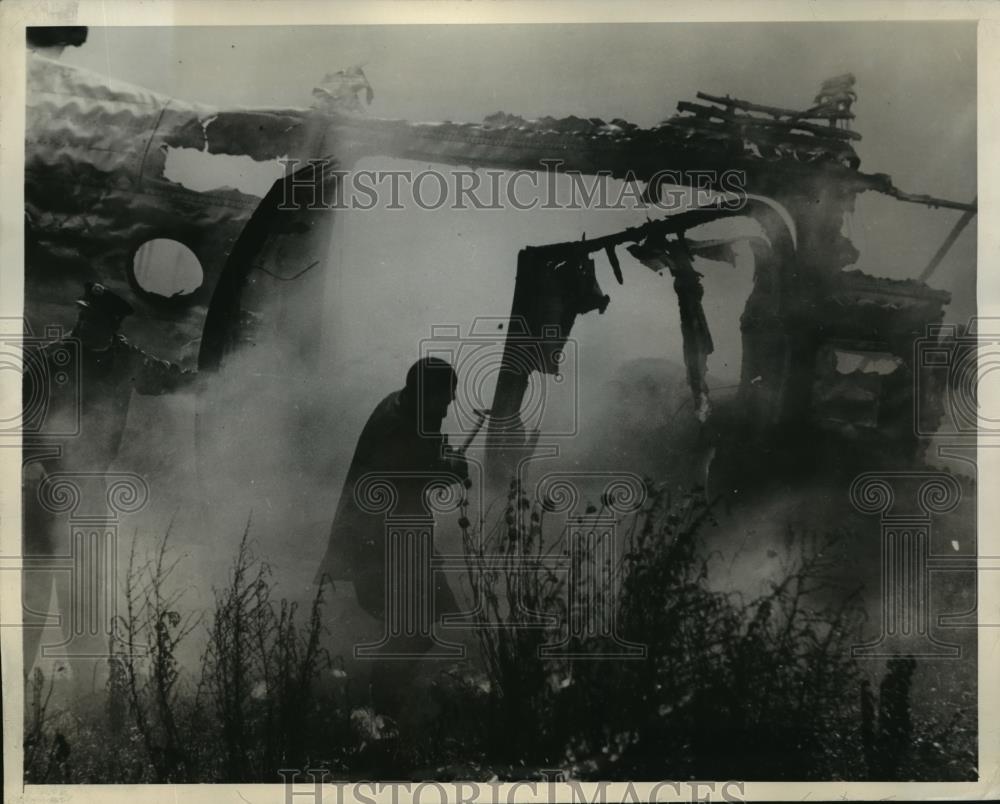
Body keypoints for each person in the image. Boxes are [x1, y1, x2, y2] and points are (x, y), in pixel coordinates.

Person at [21, 281, 197, 684]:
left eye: (93, 320)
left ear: (113, 326)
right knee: (32, 593)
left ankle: (87, 690)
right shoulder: (49, 360)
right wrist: (29, 464)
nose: (83, 325)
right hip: (42, 491)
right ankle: (14, 692)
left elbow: (169, 378)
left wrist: (218, 376)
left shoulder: (125, 360)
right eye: (83, 316)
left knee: (83, 596)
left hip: (90, 493)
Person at [315, 357, 469, 722]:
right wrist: (451, 469)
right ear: (425, 395)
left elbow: (416, 464)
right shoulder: (398, 427)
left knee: (413, 628)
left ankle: (384, 708)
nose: (446, 413)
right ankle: (384, 711)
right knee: (412, 630)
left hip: (392, 541)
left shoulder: (400, 408)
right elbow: (409, 477)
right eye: (443, 403)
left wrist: (441, 462)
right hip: (382, 546)